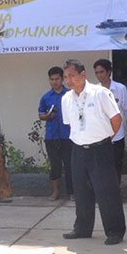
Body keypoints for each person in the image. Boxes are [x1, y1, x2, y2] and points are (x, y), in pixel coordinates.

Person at [60, 59, 126, 245]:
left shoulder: (100, 94)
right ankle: (82, 228)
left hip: (100, 149)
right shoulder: (66, 98)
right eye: (65, 77)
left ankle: (115, 231)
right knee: (81, 192)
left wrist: (107, 139)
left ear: (82, 75)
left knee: (107, 192)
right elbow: (70, 124)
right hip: (78, 150)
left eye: (71, 76)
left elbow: (116, 119)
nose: (68, 81)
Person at [93, 59, 127, 182]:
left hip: (117, 135)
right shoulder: (93, 91)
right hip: (100, 136)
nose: (99, 75)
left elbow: (124, 108)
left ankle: (116, 192)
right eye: (97, 73)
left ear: (109, 72)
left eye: (102, 72)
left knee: (116, 165)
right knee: (101, 166)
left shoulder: (120, 89)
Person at [38, 66, 72, 200]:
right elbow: (41, 115)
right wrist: (47, 116)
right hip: (52, 136)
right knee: (55, 165)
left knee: (70, 165)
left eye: (57, 79)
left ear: (62, 79)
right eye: (52, 79)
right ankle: (55, 192)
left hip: (68, 135)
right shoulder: (46, 97)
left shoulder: (70, 94)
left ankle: (72, 193)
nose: (55, 82)